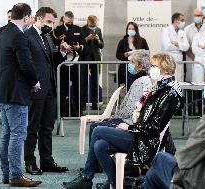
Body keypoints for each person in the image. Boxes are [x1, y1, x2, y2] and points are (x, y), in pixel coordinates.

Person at [63, 53, 183, 189]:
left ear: (165, 69)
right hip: (140, 133)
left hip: (146, 140)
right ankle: (116, 183)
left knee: (97, 130)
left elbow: (154, 126)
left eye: (155, 66)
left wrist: (129, 127)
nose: (151, 69)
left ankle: (87, 177)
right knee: (100, 146)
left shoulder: (169, 92)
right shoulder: (158, 87)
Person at [0, 3, 41, 187]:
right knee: (18, 135)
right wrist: (35, 82)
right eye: (30, 18)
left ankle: (7, 174)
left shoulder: (4, 32)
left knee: (7, 134)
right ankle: (15, 175)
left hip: (3, 90)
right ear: (27, 17)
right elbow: (26, 64)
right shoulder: (18, 35)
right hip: (15, 92)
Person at [23, 7, 69, 176]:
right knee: (32, 127)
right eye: (49, 21)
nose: (51, 25)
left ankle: (47, 161)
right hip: (35, 88)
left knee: (47, 127)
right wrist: (32, 83)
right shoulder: (27, 36)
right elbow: (25, 63)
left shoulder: (48, 37)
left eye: (53, 22)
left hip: (50, 87)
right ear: (38, 19)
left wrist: (62, 51)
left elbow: (51, 60)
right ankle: (29, 161)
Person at [51, 11, 85, 117]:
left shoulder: (78, 30)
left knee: (78, 88)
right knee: (61, 88)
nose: (70, 23)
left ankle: (78, 112)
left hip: (76, 64)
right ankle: (59, 113)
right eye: (68, 21)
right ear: (64, 19)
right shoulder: (57, 31)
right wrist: (61, 48)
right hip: (62, 64)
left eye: (72, 21)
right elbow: (52, 47)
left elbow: (85, 45)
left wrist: (79, 47)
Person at [80, 15, 104, 110]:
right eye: (92, 24)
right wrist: (87, 39)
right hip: (85, 57)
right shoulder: (82, 29)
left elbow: (102, 45)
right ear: (88, 22)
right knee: (83, 82)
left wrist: (98, 39)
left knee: (95, 81)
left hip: (96, 58)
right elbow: (80, 43)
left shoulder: (98, 30)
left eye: (94, 24)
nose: (93, 26)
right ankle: (82, 104)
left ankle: (95, 104)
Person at [116, 22, 149, 88]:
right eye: (129, 29)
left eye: (133, 29)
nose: (131, 30)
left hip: (140, 67)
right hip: (126, 68)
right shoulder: (122, 41)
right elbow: (117, 55)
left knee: (140, 86)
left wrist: (139, 54)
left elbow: (147, 53)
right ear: (127, 30)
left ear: (136, 30)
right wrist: (124, 55)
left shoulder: (142, 41)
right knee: (130, 84)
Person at [162, 12, 189, 82]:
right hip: (169, 59)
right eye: (182, 20)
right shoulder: (166, 30)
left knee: (179, 80)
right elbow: (167, 46)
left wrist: (177, 43)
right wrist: (180, 47)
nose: (184, 22)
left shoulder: (182, 32)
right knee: (169, 80)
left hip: (179, 60)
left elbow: (186, 47)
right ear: (176, 20)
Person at [184, 8, 204, 81]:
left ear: (203, 16)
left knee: (203, 81)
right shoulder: (187, 29)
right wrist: (193, 57)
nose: (197, 17)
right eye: (195, 15)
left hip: (203, 59)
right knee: (191, 80)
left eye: (199, 15)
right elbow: (185, 46)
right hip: (190, 58)